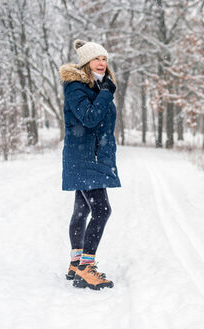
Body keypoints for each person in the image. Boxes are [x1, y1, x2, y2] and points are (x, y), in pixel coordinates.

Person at [59, 39, 121, 290]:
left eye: (105, 59)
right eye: (97, 58)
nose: (102, 63)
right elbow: (89, 118)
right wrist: (106, 93)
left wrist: (104, 91)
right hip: (84, 158)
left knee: (83, 210)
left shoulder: (96, 87)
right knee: (102, 210)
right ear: (85, 63)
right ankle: (86, 267)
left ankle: (76, 263)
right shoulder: (77, 88)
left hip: (90, 158)